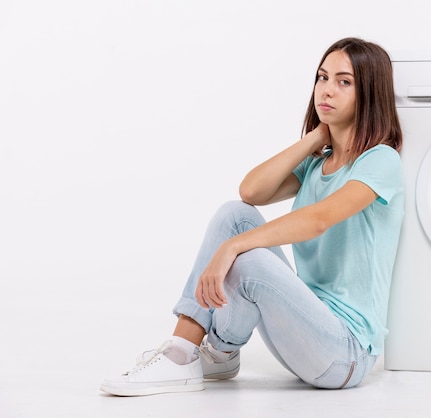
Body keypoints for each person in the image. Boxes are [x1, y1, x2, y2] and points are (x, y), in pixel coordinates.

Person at [100, 37, 404, 396]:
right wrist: (311, 141)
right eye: (322, 78)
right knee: (235, 214)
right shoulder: (317, 163)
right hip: (304, 329)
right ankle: (192, 352)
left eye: (344, 82)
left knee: (251, 259)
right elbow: (250, 192)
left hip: (344, 353)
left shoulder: (380, 160)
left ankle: (202, 353)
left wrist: (232, 248)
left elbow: (319, 218)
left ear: (369, 93)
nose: (327, 90)